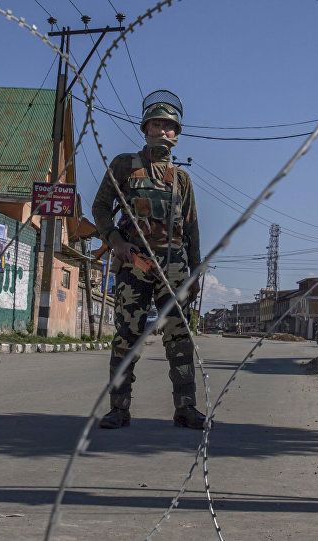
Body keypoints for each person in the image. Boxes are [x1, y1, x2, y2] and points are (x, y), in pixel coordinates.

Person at [91, 90, 205, 430]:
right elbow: (100, 207)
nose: (163, 131)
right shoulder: (124, 164)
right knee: (127, 336)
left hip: (173, 266)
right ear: (145, 128)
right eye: (157, 124)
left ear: (177, 134)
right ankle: (118, 409)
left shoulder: (182, 179)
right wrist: (115, 241)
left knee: (179, 338)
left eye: (170, 127)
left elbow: (192, 229)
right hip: (134, 264)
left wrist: (195, 272)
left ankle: (186, 408)